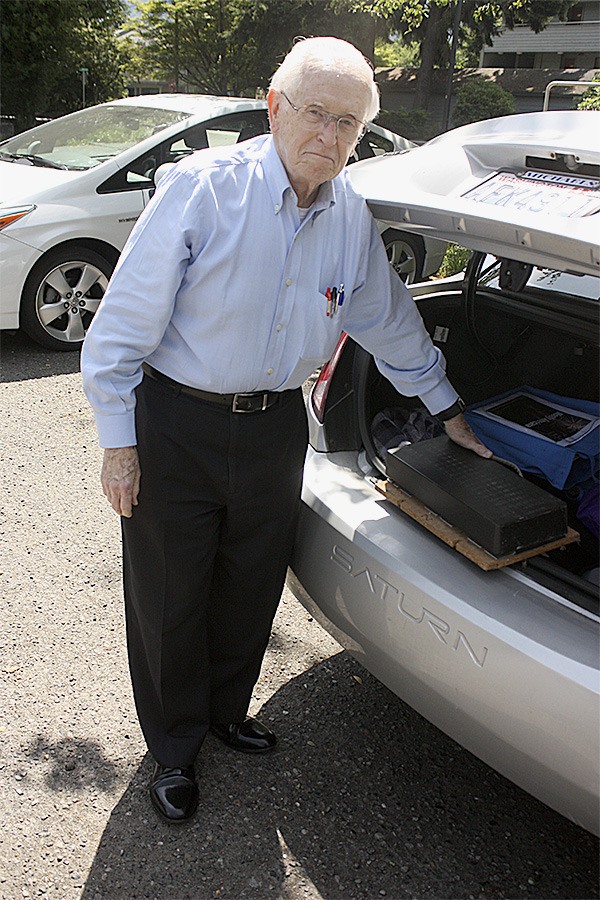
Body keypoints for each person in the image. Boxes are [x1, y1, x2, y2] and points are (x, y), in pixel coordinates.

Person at [81, 36, 490, 824]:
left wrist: (448, 409)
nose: (329, 138)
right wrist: (118, 443)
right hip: (175, 424)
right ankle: (173, 747)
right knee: (170, 593)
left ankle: (229, 713)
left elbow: (391, 321)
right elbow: (122, 327)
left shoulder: (348, 218)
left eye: (348, 124)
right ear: (274, 108)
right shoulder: (205, 190)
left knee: (250, 580)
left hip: (273, 425)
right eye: (315, 114)